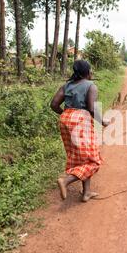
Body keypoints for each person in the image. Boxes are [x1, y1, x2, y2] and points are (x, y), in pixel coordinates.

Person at [51, 60, 109, 203]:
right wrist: (103, 121)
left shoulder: (67, 85)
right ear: (88, 72)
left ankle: (86, 193)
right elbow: (91, 108)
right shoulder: (91, 86)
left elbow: (54, 104)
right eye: (91, 70)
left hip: (66, 120)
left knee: (80, 157)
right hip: (80, 122)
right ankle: (66, 181)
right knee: (93, 161)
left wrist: (67, 114)